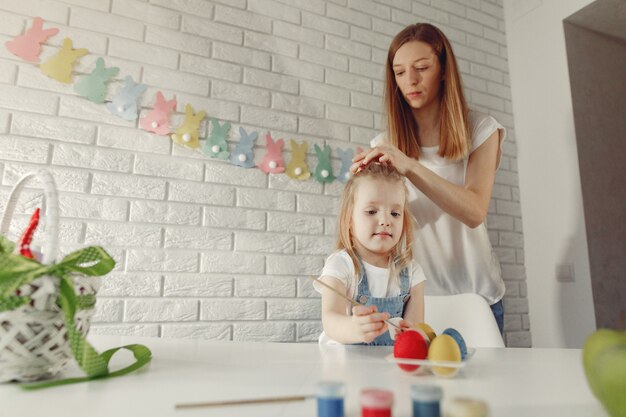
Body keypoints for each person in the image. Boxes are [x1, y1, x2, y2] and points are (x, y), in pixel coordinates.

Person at [351, 23, 506, 335]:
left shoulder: (481, 130)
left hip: (478, 297)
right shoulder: (384, 143)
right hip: (414, 302)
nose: (411, 80)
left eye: (422, 67)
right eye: (399, 72)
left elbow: (474, 211)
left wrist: (409, 166)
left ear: (444, 70)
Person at [314, 163, 426, 345]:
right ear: (349, 220)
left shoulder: (413, 272)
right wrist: (353, 328)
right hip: (344, 366)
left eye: (395, 213)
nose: (385, 220)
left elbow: (416, 327)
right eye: (372, 211)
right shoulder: (341, 264)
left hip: (388, 367)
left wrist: (412, 332)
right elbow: (330, 320)